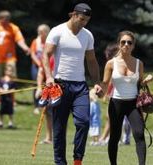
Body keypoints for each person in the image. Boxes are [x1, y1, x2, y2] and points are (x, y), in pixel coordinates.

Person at [41, 3, 102, 165]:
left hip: (80, 87)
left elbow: (92, 60)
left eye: (86, 21)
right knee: (59, 129)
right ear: (73, 15)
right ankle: (60, 162)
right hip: (59, 85)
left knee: (83, 122)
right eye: (81, 19)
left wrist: (97, 82)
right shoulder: (57, 31)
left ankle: (77, 160)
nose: (83, 23)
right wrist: (48, 77)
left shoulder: (87, 35)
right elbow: (46, 55)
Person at [100, 30, 153, 165]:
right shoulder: (111, 63)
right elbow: (105, 84)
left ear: (133, 46)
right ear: (119, 44)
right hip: (116, 103)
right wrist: (100, 91)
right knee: (115, 137)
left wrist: (145, 81)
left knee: (139, 134)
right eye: (123, 42)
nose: (126, 45)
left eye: (129, 42)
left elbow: (139, 84)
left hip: (133, 104)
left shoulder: (138, 63)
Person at [0, 10, 30, 77]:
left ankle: (11, 87)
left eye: (8, 19)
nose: (7, 21)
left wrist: (25, 48)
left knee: (10, 77)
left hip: (10, 57)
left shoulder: (13, 28)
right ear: (0, 18)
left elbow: (19, 39)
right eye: (5, 20)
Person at [99, 43, 118, 145]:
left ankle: (104, 138)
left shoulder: (114, 64)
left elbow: (110, 81)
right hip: (113, 92)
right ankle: (107, 137)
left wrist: (106, 94)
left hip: (116, 92)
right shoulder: (111, 63)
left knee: (110, 116)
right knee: (110, 116)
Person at [30, 24, 50, 115]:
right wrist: (40, 64)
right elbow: (32, 54)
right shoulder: (35, 41)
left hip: (48, 67)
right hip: (37, 67)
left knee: (48, 85)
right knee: (36, 85)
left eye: (41, 32)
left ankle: (47, 104)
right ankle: (36, 106)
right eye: (38, 32)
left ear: (46, 32)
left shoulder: (50, 42)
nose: (39, 33)